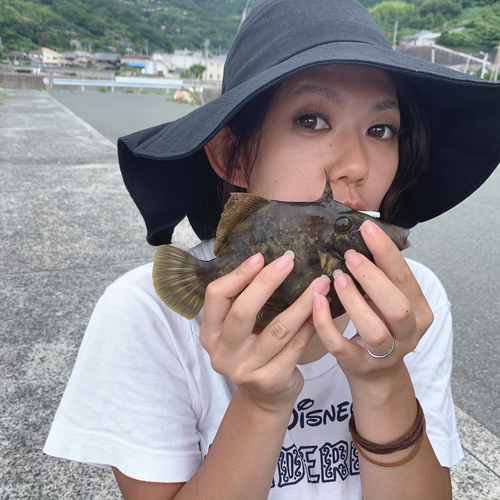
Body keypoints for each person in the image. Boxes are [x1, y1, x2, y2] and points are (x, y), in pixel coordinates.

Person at [44, 0, 500, 498]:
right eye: (311, 120)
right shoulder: (147, 316)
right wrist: (261, 403)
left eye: (381, 129)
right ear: (230, 156)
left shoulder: (413, 305)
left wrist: (383, 380)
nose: (357, 165)